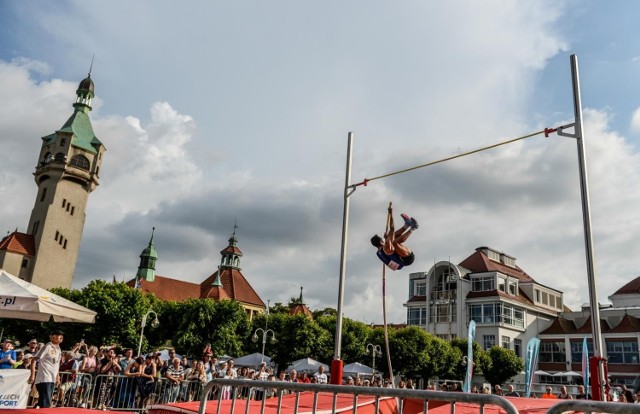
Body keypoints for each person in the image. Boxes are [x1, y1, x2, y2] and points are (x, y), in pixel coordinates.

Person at [29, 329, 64, 408]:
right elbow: (34, 360)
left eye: (62, 336)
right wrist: (32, 375)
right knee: (46, 402)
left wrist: (57, 377)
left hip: (52, 379)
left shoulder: (59, 349)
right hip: (44, 378)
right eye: (59, 336)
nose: (61, 337)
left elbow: (57, 364)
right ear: (53, 337)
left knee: (43, 401)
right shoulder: (47, 346)